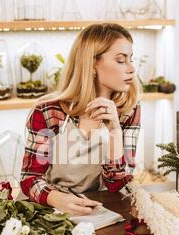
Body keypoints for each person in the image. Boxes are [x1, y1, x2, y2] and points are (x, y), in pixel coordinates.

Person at [20, 23, 141, 216]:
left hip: (102, 210)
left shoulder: (128, 110)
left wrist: (115, 132)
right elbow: (30, 178)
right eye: (121, 60)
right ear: (92, 63)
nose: (131, 68)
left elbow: (117, 184)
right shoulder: (48, 111)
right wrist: (57, 199)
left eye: (131, 59)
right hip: (52, 211)